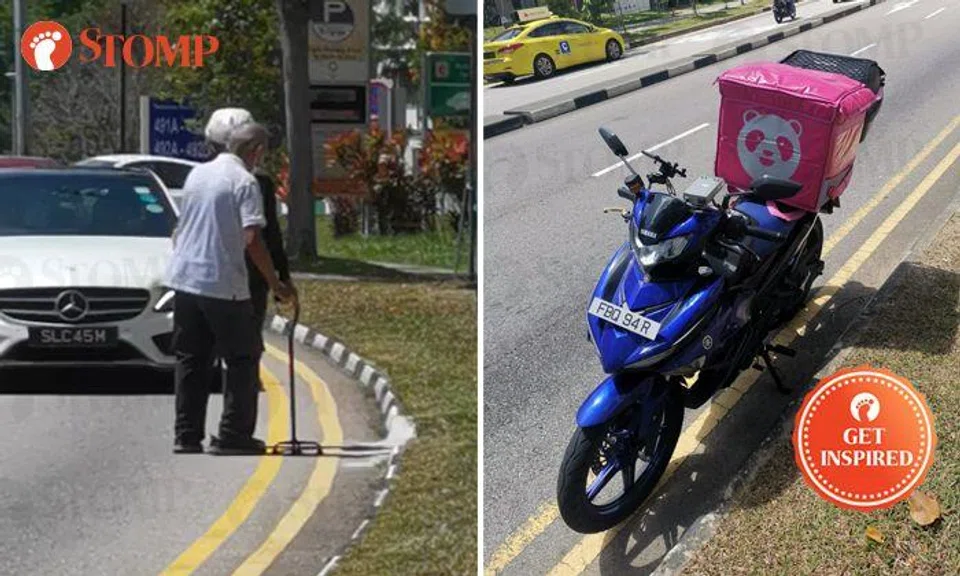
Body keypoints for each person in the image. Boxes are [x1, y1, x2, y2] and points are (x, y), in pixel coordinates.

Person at [167, 121, 293, 455]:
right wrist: (275, 283)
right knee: (242, 357)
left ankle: (187, 435)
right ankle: (234, 434)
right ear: (257, 151)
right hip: (223, 283)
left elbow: (179, 230)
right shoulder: (244, 181)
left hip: (186, 280)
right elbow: (253, 239)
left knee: (192, 358)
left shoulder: (197, 174)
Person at [203, 108, 296, 390]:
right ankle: (242, 387)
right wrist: (280, 279)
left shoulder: (199, 177)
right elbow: (266, 236)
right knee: (245, 342)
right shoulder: (257, 182)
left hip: (210, 273)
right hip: (248, 275)